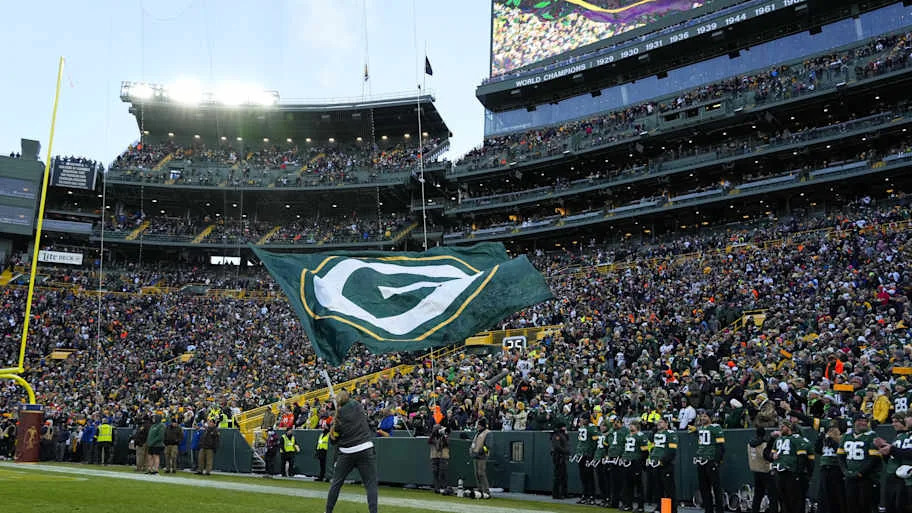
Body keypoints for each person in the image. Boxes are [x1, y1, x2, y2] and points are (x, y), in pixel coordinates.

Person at [325, 390, 379, 513]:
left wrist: (337, 405)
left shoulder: (338, 419)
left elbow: (334, 441)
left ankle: (328, 511)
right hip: (365, 448)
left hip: (346, 452)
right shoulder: (357, 406)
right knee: (371, 484)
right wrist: (338, 401)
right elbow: (349, 402)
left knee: (336, 483)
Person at [837, 413, 882, 513]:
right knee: (851, 505)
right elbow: (840, 456)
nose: (863, 423)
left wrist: (860, 473)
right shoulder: (846, 436)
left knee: (865, 506)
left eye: (865, 421)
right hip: (850, 477)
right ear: (854, 422)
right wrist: (845, 471)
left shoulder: (872, 436)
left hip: (867, 478)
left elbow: (874, 459)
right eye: (860, 420)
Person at [769, 420, 812, 513]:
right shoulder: (779, 439)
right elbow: (770, 455)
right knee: (783, 499)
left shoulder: (796, 439)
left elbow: (802, 458)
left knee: (794, 500)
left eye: (783, 426)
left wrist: (798, 474)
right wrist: (773, 455)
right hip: (780, 472)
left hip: (791, 472)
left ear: (789, 428)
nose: (780, 428)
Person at [875, 412, 911, 513]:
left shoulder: (907, 437)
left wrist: (890, 449)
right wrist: (884, 450)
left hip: (903, 477)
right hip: (891, 475)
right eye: (892, 421)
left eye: (896, 421)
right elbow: (891, 459)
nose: (893, 424)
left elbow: (905, 455)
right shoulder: (897, 437)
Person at [694, 410, 725, 513]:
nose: (702, 418)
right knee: (704, 487)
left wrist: (717, 460)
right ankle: (708, 509)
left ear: (710, 418)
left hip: (711, 460)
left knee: (716, 487)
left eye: (705, 416)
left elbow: (720, 446)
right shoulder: (701, 428)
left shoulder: (716, 427)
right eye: (702, 416)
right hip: (701, 460)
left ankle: (719, 510)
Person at [648, 417, 678, 513]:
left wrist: (663, 461)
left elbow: (672, 450)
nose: (658, 424)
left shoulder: (670, 433)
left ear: (666, 424)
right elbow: (653, 447)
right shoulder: (656, 434)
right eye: (658, 422)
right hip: (655, 464)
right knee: (658, 488)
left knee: (669, 489)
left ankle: (672, 510)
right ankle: (661, 508)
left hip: (666, 465)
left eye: (661, 422)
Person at [815, 418, 844, 513]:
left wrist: (833, 442)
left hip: (836, 468)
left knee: (837, 495)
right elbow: (818, 450)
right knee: (823, 495)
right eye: (830, 428)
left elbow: (842, 453)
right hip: (825, 467)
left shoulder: (842, 438)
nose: (831, 431)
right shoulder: (825, 438)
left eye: (834, 428)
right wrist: (820, 439)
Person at [620, 421, 649, 513]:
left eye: (631, 425)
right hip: (627, 462)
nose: (630, 427)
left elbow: (645, 452)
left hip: (636, 462)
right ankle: (628, 504)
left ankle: (640, 506)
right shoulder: (628, 436)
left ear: (636, 426)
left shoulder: (641, 436)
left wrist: (641, 463)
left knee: (638, 485)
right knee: (628, 485)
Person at [747, 426, 778, 513]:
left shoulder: (749, 444)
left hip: (756, 471)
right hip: (765, 471)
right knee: (772, 496)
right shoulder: (763, 445)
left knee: (757, 495)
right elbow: (767, 457)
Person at [573, 412, 598, 505]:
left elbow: (595, 442)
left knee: (589, 476)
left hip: (588, 454)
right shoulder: (582, 427)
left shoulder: (592, 428)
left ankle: (591, 496)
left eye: (582, 419)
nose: (581, 420)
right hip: (581, 453)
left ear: (587, 419)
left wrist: (591, 453)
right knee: (583, 476)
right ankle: (585, 495)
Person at [606, 414, 629, 509]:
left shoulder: (625, 431)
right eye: (615, 422)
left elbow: (627, 444)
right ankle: (614, 502)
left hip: (620, 458)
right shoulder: (611, 431)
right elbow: (607, 444)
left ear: (622, 423)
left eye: (618, 422)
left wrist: (623, 456)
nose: (616, 424)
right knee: (613, 482)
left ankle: (624, 502)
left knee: (622, 481)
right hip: (612, 457)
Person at [470, 417, 492, 499]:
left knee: (481, 473)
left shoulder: (488, 433)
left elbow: (488, 446)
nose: (477, 426)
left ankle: (486, 491)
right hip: (475, 456)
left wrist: (481, 451)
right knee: (477, 474)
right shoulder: (477, 433)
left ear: (481, 425)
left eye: (478, 424)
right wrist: (472, 451)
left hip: (482, 456)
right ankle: (480, 490)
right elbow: (474, 443)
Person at [550, 420, 569, 499]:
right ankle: (556, 494)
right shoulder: (556, 435)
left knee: (564, 476)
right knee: (558, 475)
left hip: (562, 457)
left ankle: (564, 493)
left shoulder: (562, 434)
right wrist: (565, 451)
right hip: (558, 457)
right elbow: (557, 446)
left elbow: (567, 440)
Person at [428, 423, 450, 493]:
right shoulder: (433, 437)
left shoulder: (444, 435)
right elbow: (429, 441)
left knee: (443, 472)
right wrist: (433, 434)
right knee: (435, 472)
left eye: (437, 429)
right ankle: (436, 488)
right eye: (435, 429)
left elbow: (446, 443)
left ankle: (444, 487)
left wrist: (443, 435)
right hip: (434, 456)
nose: (436, 431)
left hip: (443, 456)